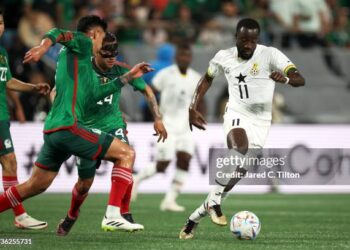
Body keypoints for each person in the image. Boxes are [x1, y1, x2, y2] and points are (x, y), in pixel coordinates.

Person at [0, 15, 159, 234]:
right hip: (69, 126)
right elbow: (57, 32)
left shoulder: (80, 62)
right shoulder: (84, 43)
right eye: (103, 36)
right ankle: (113, 215)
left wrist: (128, 76)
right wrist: (43, 47)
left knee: (35, 185)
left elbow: (97, 92)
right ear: (95, 34)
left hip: (54, 130)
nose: (103, 42)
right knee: (126, 154)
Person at [179, 18, 305, 239]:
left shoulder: (270, 54)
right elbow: (207, 79)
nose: (248, 45)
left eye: (253, 40)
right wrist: (192, 106)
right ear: (236, 37)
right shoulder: (223, 56)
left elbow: (299, 79)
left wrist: (285, 79)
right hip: (236, 113)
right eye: (244, 39)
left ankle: (194, 218)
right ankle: (215, 203)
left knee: (232, 179)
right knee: (239, 148)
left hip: (262, 122)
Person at [53, 32, 167, 235]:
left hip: (113, 126)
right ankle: (72, 214)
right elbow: (57, 90)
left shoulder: (121, 70)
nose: (111, 58)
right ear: (96, 51)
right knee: (84, 184)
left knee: (127, 157)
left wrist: (157, 118)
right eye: (107, 54)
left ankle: (123, 213)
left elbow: (147, 90)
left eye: (115, 53)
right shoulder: (82, 68)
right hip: (85, 129)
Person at [132, 44, 201, 212]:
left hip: (186, 127)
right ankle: (136, 178)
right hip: (168, 125)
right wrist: (156, 116)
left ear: (190, 58)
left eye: (187, 55)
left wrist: (198, 114)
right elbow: (150, 92)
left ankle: (170, 200)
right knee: (163, 163)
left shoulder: (196, 77)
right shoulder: (165, 74)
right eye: (181, 55)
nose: (184, 58)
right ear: (176, 57)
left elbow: (200, 99)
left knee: (185, 160)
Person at [0, 9, 50, 230]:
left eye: (1, 22)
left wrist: (33, 88)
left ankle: (20, 215)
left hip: (2, 116)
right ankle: (20, 214)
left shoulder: (2, 51)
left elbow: (8, 81)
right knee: (10, 162)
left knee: (9, 163)